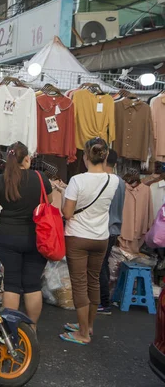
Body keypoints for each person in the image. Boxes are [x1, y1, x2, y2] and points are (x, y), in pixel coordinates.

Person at [54, 138, 119, 345]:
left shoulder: (77, 181)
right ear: (106, 156)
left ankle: (82, 333)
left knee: (80, 285)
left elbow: (68, 213)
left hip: (78, 237)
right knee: (93, 282)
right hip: (101, 237)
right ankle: (88, 326)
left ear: (85, 157)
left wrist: (64, 194)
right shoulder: (114, 180)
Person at [0, 141, 52, 330]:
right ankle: (32, 329)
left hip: (8, 237)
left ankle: (11, 329)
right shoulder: (40, 178)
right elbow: (50, 201)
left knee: (11, 283)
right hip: (36, 237)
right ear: (27, 159)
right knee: (32, 284)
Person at [97, 149, 125, 315]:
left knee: (99, 267)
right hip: (114, 229)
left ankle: (104, 302)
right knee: (103, 266)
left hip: (104, 229)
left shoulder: (106, 180)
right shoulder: (120, 181)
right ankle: (104, 301)